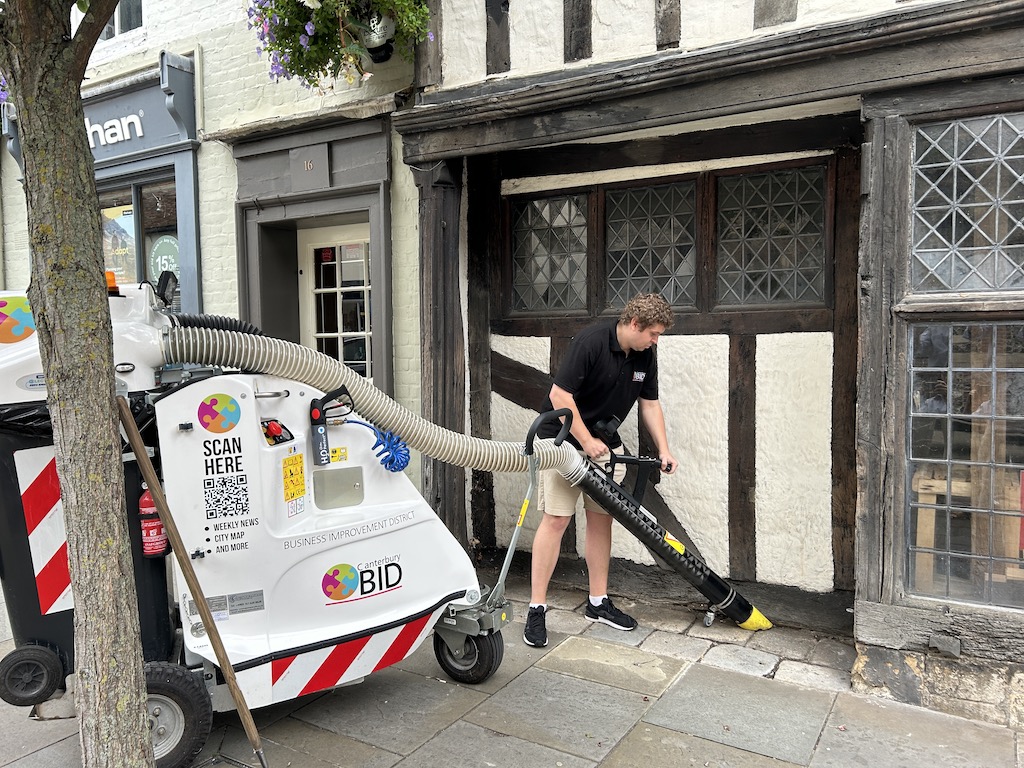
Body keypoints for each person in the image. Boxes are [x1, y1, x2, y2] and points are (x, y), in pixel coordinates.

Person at [524, 292, 678, 648]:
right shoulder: (591, 343)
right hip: (561, 442)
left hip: (603, 448)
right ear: (635, 324)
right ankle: (536, 607)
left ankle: (597, 602)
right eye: (654, 333)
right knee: (557, 520)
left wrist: (664, 449)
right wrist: (585, 440)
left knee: (600, 520)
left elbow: (650, 404)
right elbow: (560, 397)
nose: (656, 340)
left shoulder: (644, 355)